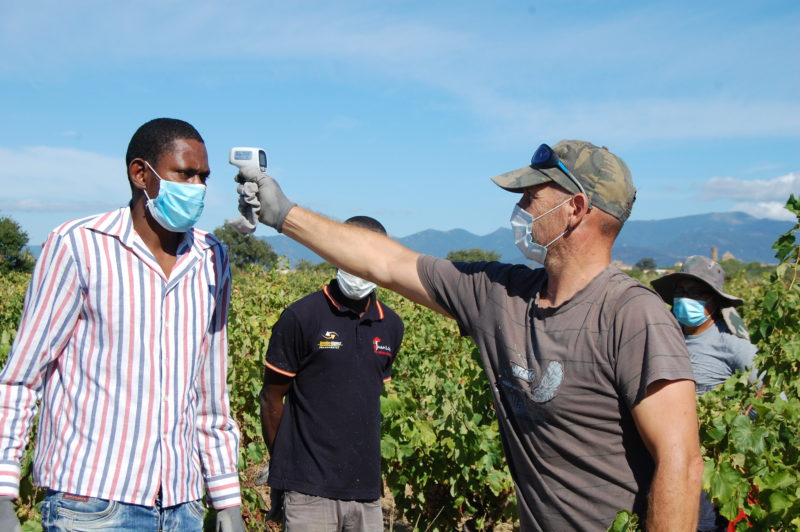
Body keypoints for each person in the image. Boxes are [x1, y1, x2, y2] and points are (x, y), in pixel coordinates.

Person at [232, 139, 704, 531]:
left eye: (532, 196)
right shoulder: (500, 294)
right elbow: (388, 262)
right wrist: (285, 214)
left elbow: (680, 463)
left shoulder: (632, 314)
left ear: (575, 208)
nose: (519, 207)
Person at [0, 118, 244, 532]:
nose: (198, 187)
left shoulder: (212, 256)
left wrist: (227, 499)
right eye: (185, 174)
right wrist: (3, 492)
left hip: (182, 504)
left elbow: (210, 393)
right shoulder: (79, 245)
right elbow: (21, 379)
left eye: (204, 176)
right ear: (140, 173)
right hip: (93, 504)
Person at [258, 215, 404, 532]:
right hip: (308, 490)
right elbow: (272, 398)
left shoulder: (391, 326)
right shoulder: (302, 316)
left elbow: (365, 401)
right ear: (335, 252)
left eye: (370, 254)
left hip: (365, 491)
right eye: (350, 250)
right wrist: (287, 468)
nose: (359, 262)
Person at [652, 255, 758, 532]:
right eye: (681, 291)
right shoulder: (667, 334)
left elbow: (768, 395)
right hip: (666, 453)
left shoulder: (732, 343)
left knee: (704, 523)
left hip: (711, 460)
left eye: (697, 293)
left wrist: (734, 426)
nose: (686, 299)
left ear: (714, 301)